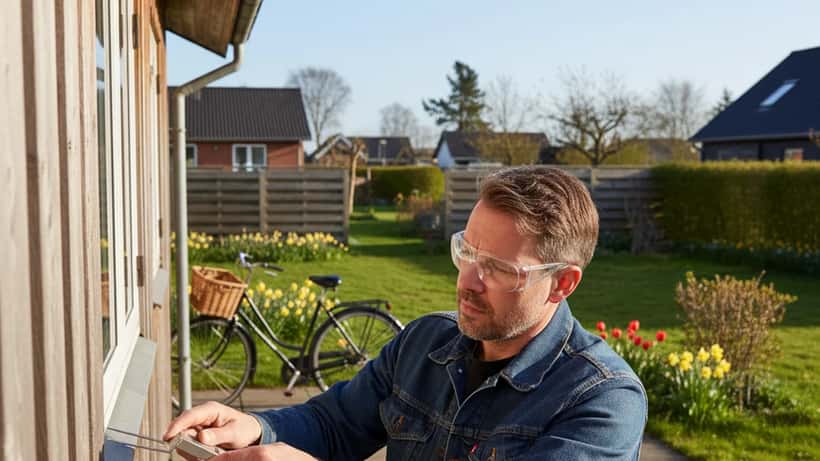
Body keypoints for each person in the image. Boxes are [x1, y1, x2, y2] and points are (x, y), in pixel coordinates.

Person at [165, 165, 648, 460]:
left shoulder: (601, 401)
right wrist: (256, 429)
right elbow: (334, 426)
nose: (468, 281)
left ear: (561, 283)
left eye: (498, 269)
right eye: (467, 252)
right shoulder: (425, 344)